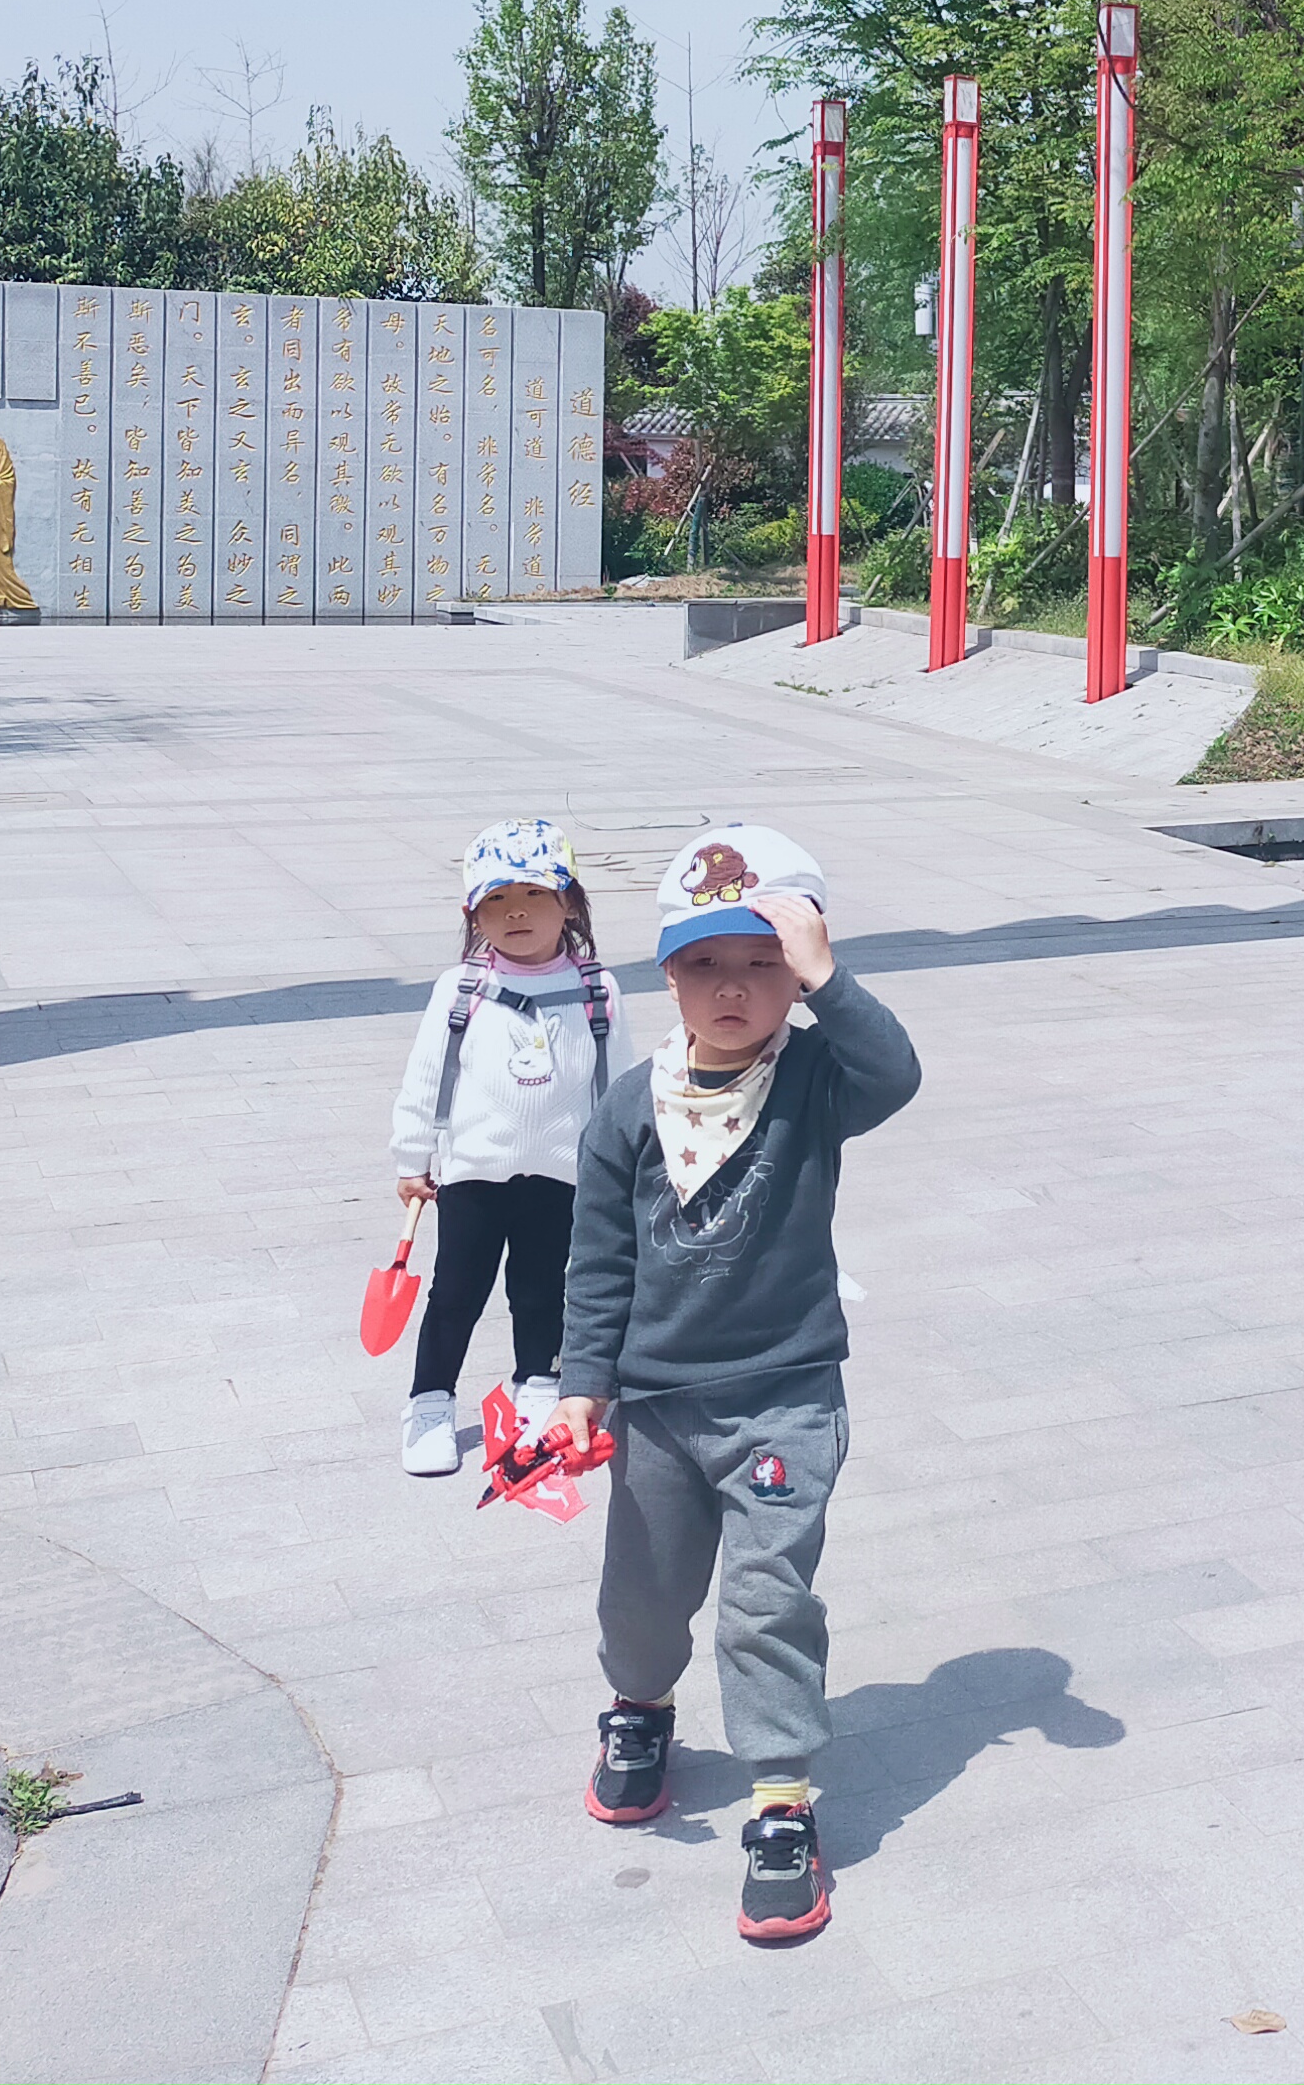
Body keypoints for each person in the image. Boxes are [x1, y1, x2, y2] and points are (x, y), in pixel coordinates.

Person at [555, 823, 920, 1948]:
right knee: (642, 1595)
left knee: (768, 1602)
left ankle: (781, 1801)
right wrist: (582, 1383)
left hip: (785, 1397)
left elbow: (895, 1074)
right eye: (706, 963)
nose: (732, 988)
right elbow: (598, 1259)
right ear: (668, 977)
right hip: (660, 1406)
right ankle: (640, 1709)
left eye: (764, 965)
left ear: (797, 976)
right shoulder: (630, 1107)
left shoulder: (813, 1081)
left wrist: (830, 979)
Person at [390, 820, 619, 1479]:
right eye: (496, 900)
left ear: (569, 903)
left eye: (534, 895)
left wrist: (625, 1167)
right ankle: (430, 1403)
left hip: (564, 1172)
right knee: (455, 1293)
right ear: (474, 914)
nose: (516, 912)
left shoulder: (598, 988)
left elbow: (618, 1083)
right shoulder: (459, 988)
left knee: (543, 1290)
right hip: (473, 1173)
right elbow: (426, 1076)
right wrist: (412, 1160)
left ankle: (537, 1388)